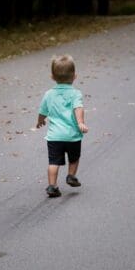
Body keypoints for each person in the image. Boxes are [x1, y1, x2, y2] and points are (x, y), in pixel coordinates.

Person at [36, 54, 88, 197]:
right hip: (72, 136)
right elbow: (78, 108)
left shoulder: (49, 94)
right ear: (74, 76)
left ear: (52, 77)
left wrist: (40, 121)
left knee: (53, 162)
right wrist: (80, 122)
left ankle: (52, 186)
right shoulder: (75, 93)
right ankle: (71, 176)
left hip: (54, 137)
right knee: (74, 158)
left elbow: (42, 111)